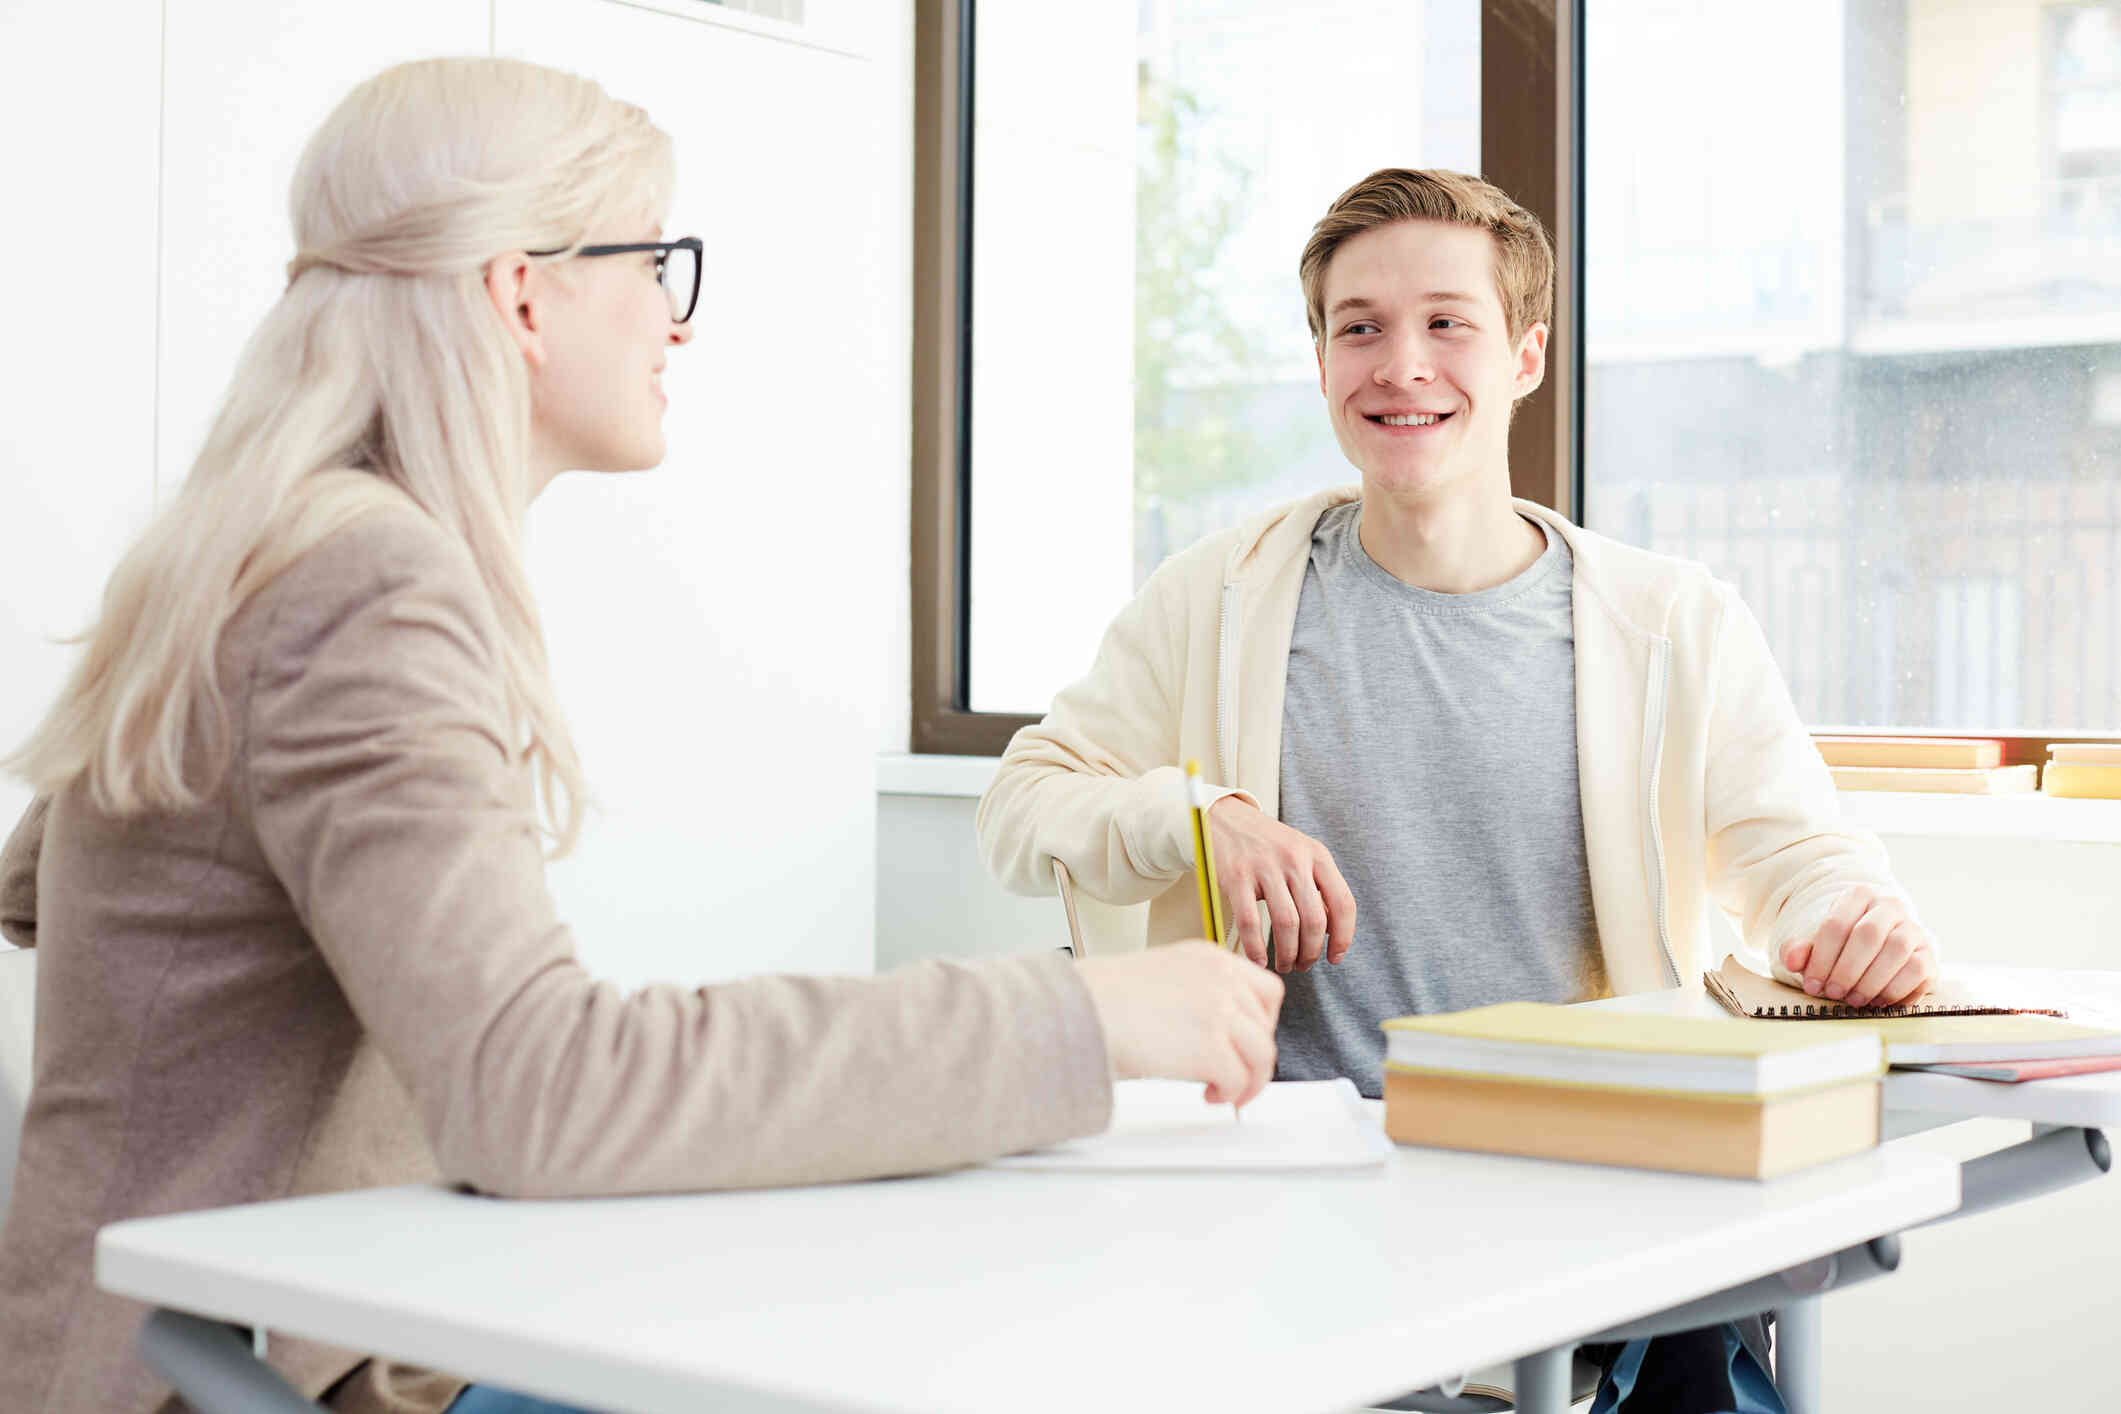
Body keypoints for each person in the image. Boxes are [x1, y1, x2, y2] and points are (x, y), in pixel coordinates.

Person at [0, 57, 1281, 1414]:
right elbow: (535, 1085)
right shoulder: (364, 584)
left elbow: (75, 901)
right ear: (521, 292)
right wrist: (1078, 1016)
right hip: (222, 1378)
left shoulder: (259, 548)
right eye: (654, 261)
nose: (677, 321)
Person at [976, 168, 1938, 1412]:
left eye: (1448, 323)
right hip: (1292, 1201)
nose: (1400, 365)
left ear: (1527, 354)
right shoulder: (1219, 595)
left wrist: (1854, 916)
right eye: (1359, 327)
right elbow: (1022, 803)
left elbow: (1801, 857)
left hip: (1586, 1190)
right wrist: (1199, 817)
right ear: (1320, 358)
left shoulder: (1669, 622)